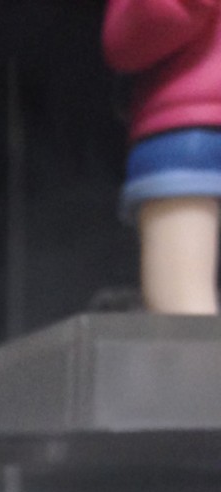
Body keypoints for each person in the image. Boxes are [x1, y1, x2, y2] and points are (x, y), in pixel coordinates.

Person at [103, 0, 221, 313]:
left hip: (186, 130)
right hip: (191, 127)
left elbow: (132, 36)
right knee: (185, 308)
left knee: (183, 307)